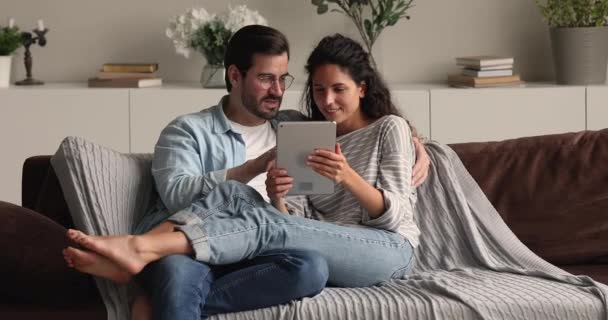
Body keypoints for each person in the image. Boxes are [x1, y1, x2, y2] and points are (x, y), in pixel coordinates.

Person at [63, 27, 429, 318]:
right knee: (230, 205)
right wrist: (258, 174)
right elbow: (176, 195)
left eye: (284, 79)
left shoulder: (299, 129)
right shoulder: (188, 130)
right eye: (267, 78)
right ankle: (146, 257)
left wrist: (417, 142)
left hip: (274, 250)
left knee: (310, 267)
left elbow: (314, 217)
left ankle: (140, 256)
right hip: (200, 246)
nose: (279, 90)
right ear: (235, 75)